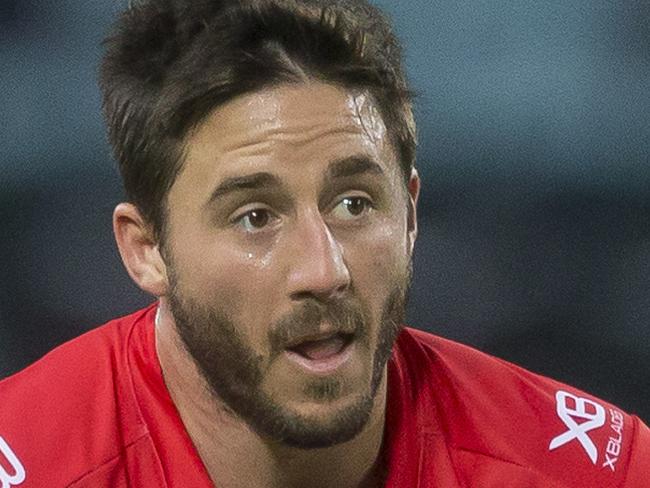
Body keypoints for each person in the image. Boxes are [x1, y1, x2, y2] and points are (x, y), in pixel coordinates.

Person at [0, 0, 648, 486]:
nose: (323, 269)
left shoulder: (588, 471)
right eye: (254, 216)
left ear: (412, 214)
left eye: (354, 204)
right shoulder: (34, 457)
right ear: (147, 250)